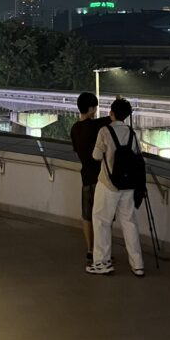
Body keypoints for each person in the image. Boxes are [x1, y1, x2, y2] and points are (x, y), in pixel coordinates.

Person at [87, 97, 145, 277]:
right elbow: (137, 156)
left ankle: (101, 262)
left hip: (108, 184)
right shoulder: (131, 133)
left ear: (111, 113)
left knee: (101, 222)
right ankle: (137, 265)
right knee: (129, 222)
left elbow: (96, 156)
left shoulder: (104, 131)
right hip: (129, 185)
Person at [70, 92, 110, 267]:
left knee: (87, 215)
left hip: (85, 177)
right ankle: (103, 252)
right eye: (95, 108)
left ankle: (90, 250)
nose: (96, 111)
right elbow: (112, 118)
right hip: (101, 178)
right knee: (102, 217)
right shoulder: (96, 126)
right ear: (91, 108)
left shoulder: (74, 129)